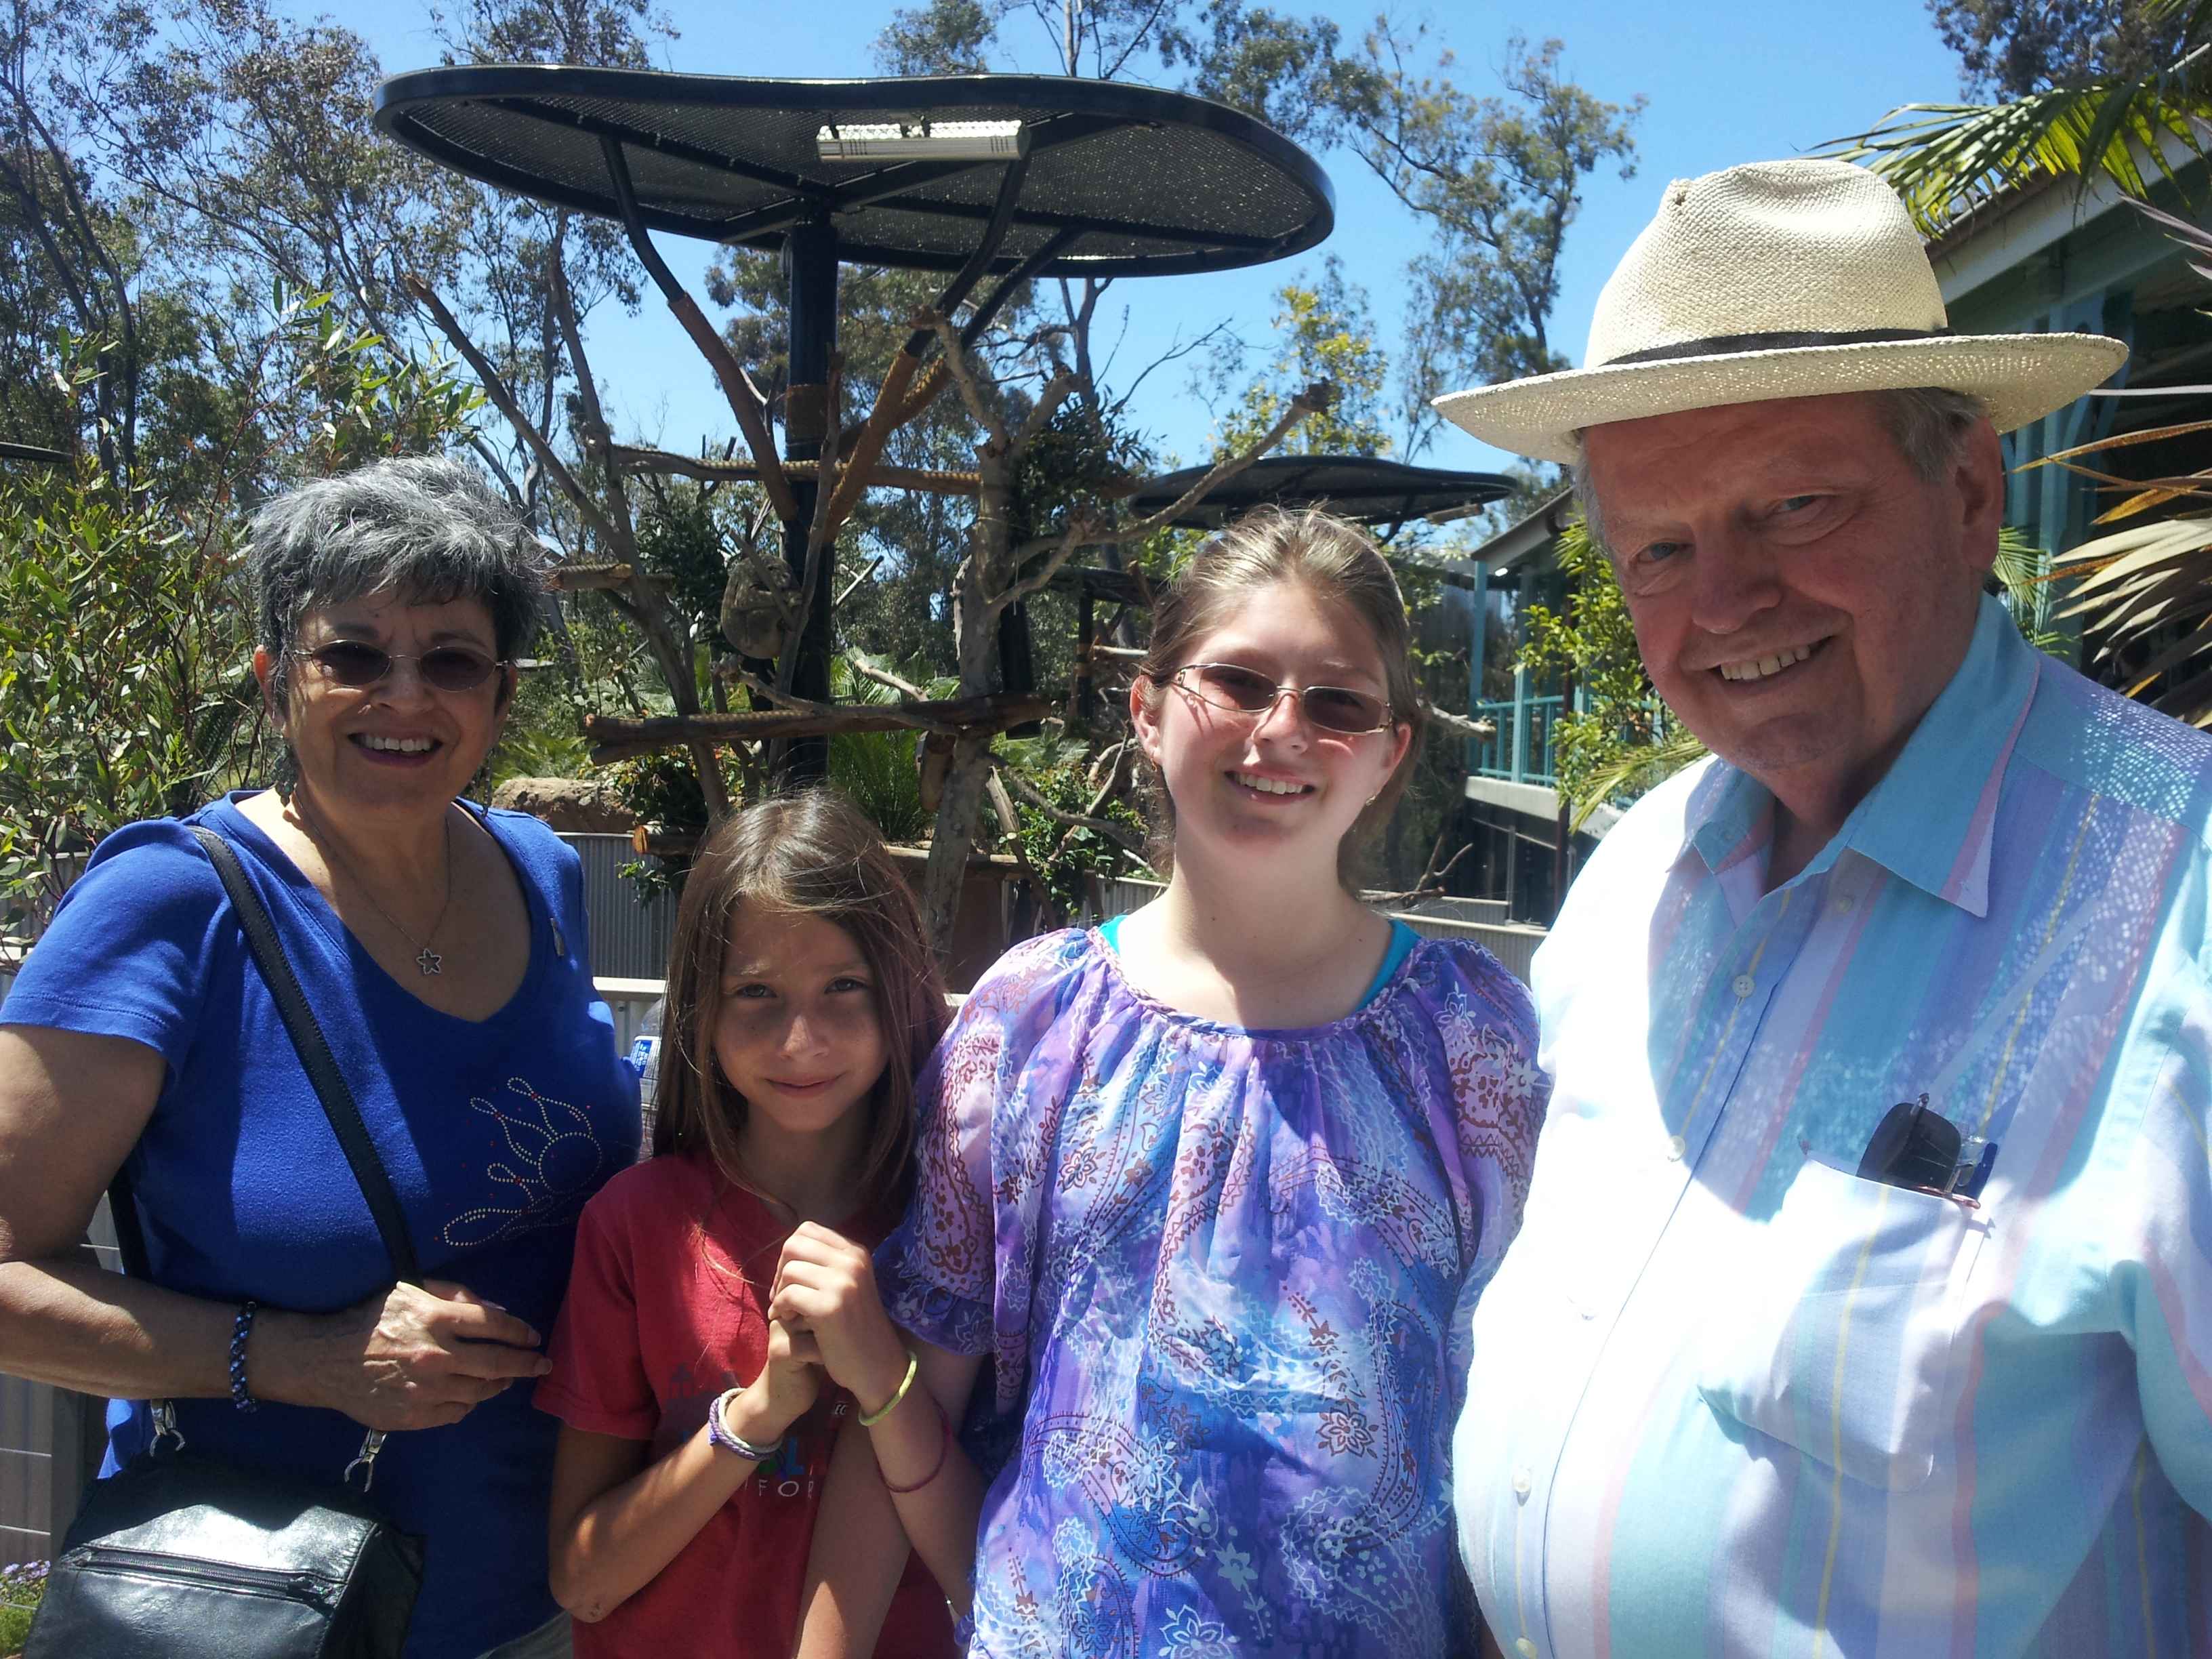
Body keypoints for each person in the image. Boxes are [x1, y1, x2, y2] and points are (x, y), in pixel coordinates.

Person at [1433, 158, 2207, 1656]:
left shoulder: (2181, 901)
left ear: (1970, 492)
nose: (1723, 603)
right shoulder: (1632, 883)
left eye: (1794, 507)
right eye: (1659, 547)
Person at [858, 506, 1549, 1656]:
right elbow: (920, 1398)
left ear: (1392, 752)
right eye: (1234, 680)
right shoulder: (1027, 1019)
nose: (1279, 730)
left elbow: (1520, 1422)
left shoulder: (1467, 1039)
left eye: (1336, 702)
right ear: (1145, 708)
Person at [0, 454, 641, 1658]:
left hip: (548, 1602)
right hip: (258, 1612)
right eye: (352, 653)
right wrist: (297, 1359)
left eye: (450, 658)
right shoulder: (170, 902)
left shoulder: (542, 872)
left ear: (501, 694)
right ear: (273, 678)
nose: (403, 695)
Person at [536, 790, 959, 1659]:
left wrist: (884, 1375)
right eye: (756, 993)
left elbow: (995, 1563)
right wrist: (756, 1416)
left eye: (844, 986)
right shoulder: (633, 1227)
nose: (800, 1039)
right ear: (701, 1011)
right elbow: (583, 1579)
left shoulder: (955, 1230)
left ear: (901, 988)